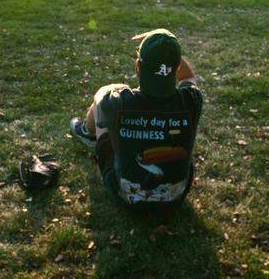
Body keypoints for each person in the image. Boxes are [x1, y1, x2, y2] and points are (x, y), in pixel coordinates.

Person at [69, 29, 203, 207]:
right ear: (177, 67)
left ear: (138, 66)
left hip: (124, 195)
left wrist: (115, 87)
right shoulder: (192, 100)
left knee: (102, 104)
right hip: (177, 196)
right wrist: (170, 48)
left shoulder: (117, 102)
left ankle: (87, 132)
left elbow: (102, 94)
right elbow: (188, 77)